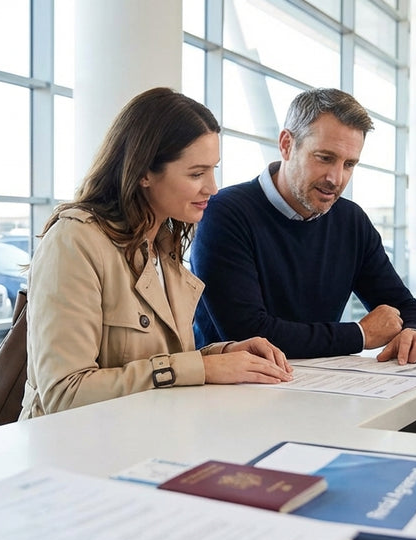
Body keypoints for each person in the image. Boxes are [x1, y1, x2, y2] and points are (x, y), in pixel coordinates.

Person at [19, 88, 292, 417]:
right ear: (144, 172)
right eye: (196, 173)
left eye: (212, 169)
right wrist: (203, 369)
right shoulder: (75, 242)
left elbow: (157, 362)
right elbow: (64, 393)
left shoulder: (163, 243)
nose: (212, 187)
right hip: (79, 451)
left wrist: (224, 356)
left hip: (146, 436)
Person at [190, 88, 416, 365]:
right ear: (286, 145)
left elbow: (403, 305)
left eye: (349, 164)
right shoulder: (224, 213)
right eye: (324, 158)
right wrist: (360, 334)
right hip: (233, 391)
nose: (336, 178)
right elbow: (248, 333)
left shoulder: (351, 220)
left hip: (320, 385)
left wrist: (415, 332)